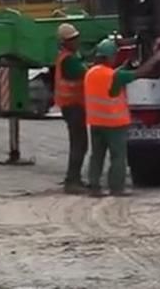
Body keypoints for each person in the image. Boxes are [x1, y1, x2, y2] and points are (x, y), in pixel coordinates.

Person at [84, 38, 160, 197]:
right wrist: (156, 59)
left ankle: (94, 186)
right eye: (114, 56)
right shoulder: (113, 76)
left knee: (97, 155)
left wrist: (127, 63)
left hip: (95, 123)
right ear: (109, 57)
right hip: (114, 123)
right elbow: (139, 73)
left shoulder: (91, 73)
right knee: (118, 156)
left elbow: (115, 75)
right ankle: (116, 187)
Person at [52, 22, 89, 193]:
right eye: (73, 39)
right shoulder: (69, 60)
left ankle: (75, 179)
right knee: (79, 144)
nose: (77, 41)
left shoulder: (68, 56)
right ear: (65, 42)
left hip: (73, 106)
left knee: (80, 143)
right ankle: (72, 181)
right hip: (73, 106)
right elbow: (86, 74)